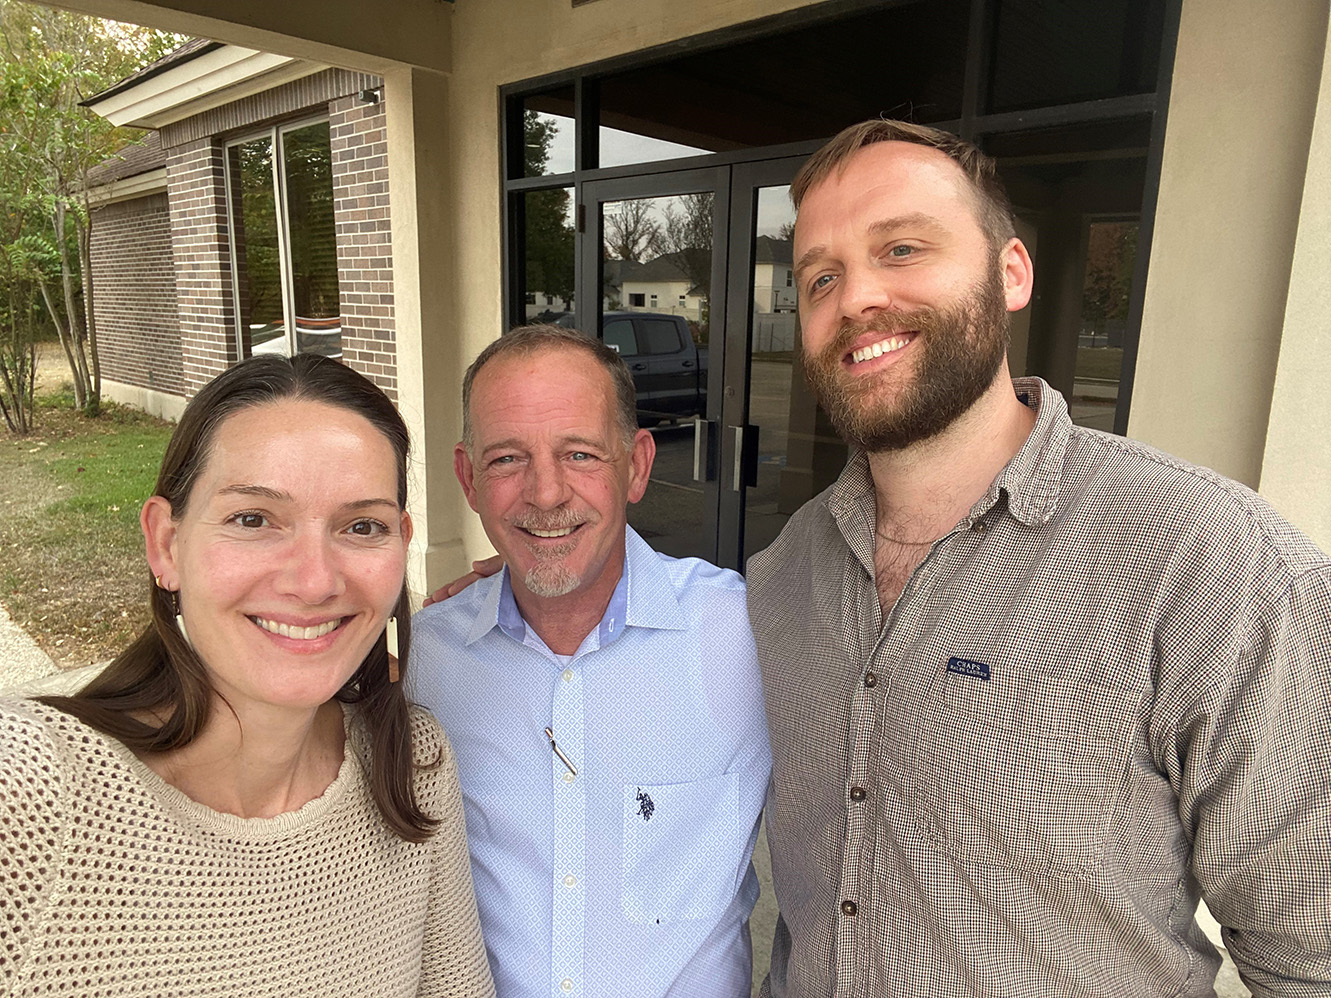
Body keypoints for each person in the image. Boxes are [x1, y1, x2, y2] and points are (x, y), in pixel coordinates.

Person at [748, 119, 1331, 996]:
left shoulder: (1209, 562)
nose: (855, 298)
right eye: (820, 277)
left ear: (1010, 273)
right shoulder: (783, 574)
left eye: (901, 248)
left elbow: (1311, 952)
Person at [0, 354, 495, 997]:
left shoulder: (413, 767)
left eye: (362, 526)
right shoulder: (32, 799)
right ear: (165, 545)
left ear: (400, 545)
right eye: (253, 519)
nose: (315, 581)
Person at [411, 325, 771, 998]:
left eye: (578, 454)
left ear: (635, 465)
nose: (545, 495)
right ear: (467, 477)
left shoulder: (746, 635)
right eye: (506, 460)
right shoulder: (429, 660)